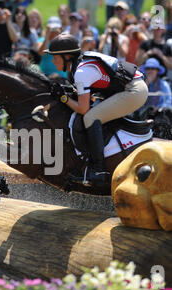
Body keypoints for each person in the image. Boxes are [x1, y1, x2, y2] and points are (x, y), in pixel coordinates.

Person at [45, 33, 148, 186]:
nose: (52, 60)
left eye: (55, 57)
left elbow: (82, 108)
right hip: (129, 87)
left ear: (66, 56)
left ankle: (98, 170)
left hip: (134, 91)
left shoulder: (81, 72)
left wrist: (64, 98)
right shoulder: (79, 65)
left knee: (90, 117)